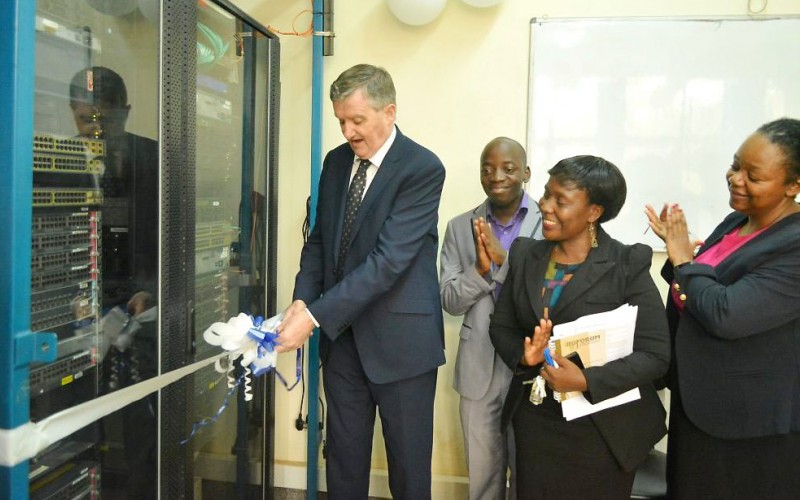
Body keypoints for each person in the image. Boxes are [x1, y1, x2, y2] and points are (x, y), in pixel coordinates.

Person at [276, 64, 446, 500]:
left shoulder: (422, 169)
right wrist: (301, 300)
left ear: (388, 112)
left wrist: (313, 316)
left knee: (408, 470)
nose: (349, 132)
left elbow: (387, 262)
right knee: (344, 463)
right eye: (341, 122)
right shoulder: (335, 163)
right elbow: (319, 242)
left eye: (357, 120)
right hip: (343, 343)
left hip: (402, 345)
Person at [490, 155, 670, 499]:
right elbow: (501, 326)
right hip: (536, 423)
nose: (545, 206)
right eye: (546, 195)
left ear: (594, 212)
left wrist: (586, 380)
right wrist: (524, 355)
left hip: (603, 429)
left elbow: (656, 354)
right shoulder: (526, 253)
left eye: (561, 200)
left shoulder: (626, 263)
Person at [645, 118, 800, 499]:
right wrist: (681, 259)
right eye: (735, 165)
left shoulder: (794, 244)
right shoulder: (736, 221)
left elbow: (726, 313)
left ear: (793, 186)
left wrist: (683, 260)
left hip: (747, 423)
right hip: (697, 401)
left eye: (754, 175)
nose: (736, 178)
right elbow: (701, 284)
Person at [70, 66, 159, 499]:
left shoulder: (156, 159)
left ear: (125, 112)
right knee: (78, 418)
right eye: (86, 120)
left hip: (141, 311)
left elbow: (171, 236)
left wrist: (153, 290)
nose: (96, 131)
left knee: (143, 424)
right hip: (77, 313)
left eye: (105, 120)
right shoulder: (62, 160)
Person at [439, 137, 542, 500]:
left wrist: (504, 263)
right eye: (487, 168)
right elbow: (450, 300)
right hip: (479, 362)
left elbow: (549, 294)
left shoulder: (551, 222)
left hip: (531, 364)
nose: (496, 176)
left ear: (526, 173)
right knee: (482, 475)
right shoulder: (458, 226)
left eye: (508, 168)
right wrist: (481, 273)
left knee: (530, 472)